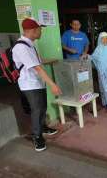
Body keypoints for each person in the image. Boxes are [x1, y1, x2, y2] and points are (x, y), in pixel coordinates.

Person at [12, 18, 62, 152]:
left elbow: (38, 62)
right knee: (37, 110)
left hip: (37, 82)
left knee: (42, 107)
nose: (41, 32)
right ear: (33, 30)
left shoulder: (30, 44)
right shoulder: (21, 47)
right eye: (40, 29)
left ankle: (43, 127)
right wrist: (53, 85)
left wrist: (51, 60)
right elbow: (38, 68)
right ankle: (37, 137)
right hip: (30, 85)